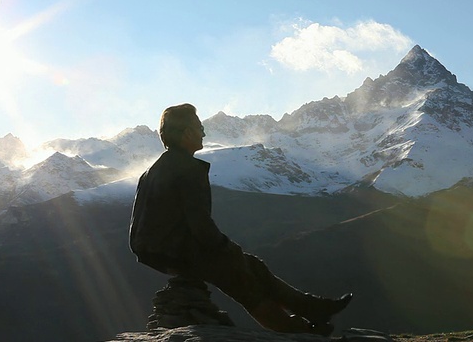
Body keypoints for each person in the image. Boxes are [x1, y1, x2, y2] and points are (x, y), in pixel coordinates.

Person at [129, 103, 352, 336]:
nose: (203, 132)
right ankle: (297, 326)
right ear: (187, 133)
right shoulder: (188, 168)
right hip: (175, 250)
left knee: (250, 266)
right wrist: (226, 247)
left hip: (152, 251)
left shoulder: (152, 170)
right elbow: (200, 224)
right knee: (242, 276)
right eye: (199, 127)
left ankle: (307, 312)